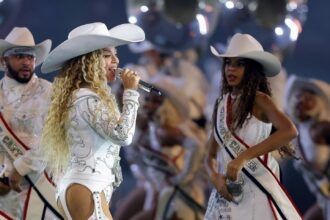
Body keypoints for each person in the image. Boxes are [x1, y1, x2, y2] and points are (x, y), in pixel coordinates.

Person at [40, 22, 145, 220]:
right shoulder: (87, 98)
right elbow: (123, 136)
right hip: (87, 186)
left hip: (83, 185)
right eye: (106, 55)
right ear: (89, 61)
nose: (116, 60)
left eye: (115, 54)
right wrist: (131, 93)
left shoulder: (81, 96)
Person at [204, 33, 302, 220]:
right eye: (228, 63)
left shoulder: (261, 100)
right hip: (228, 193)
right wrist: (214, 178)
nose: (231, 69)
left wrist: (242, 158)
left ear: (252, 70)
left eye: (239, 64)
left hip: (258, 188)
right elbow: (209, 155)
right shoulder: (221, 104)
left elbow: (289, 130)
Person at [115, 75, 207, 220]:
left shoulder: (165, 131)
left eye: (156, 102)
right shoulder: (151, 126)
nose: (149, 104)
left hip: (176, 198)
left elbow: (196, 146)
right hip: (161, 191)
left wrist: (181, 178)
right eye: (148, 100)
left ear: (166, 107)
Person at [0, 27, 63, 219]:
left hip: (39, 191)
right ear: (4, 60)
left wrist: (19, 169)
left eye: (31, 57)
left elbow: (54, 140)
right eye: (19, 56)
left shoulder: (50, 92)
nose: (27, 62)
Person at [284, 75, 330, 220]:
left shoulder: (320, 129)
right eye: (299, 97)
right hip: (324, 198)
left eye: (308, 99)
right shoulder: (298, 130)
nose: (301, 101)